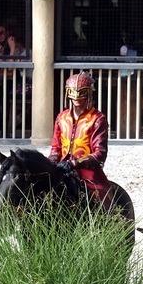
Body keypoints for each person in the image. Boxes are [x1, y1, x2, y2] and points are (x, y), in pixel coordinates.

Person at [47, 72, 118, 211]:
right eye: (73, 93)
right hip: (61, 167)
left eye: (82, 93)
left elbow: (100, 153)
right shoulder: (61, 118)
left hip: (87, 170)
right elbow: (56, 147)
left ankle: (113, 221)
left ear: (89, 93)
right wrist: (51, 162)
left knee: (102, 195)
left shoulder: (97, 119)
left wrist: (74, 163)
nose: (77, 97)